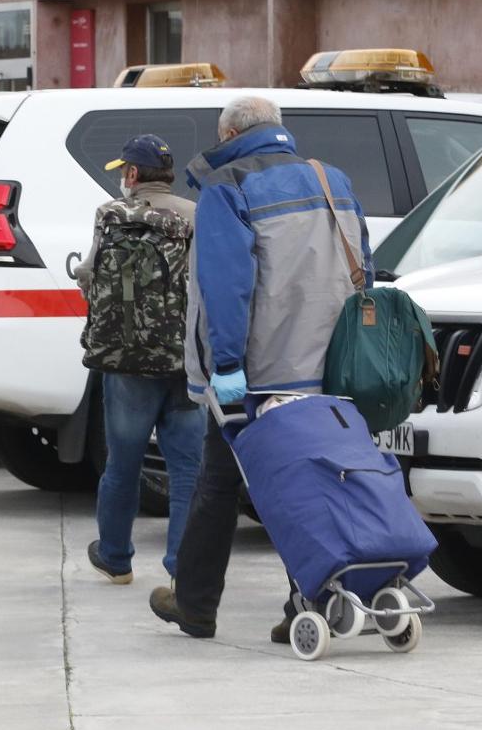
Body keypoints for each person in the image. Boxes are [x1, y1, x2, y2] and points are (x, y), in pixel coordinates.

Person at [149, 96, 373, 643]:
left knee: (221, 484)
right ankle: (312, 602)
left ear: (227, 132)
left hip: (260, 372)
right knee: (314, 482)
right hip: (329, 366)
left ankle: (196, 604)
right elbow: (363, 261)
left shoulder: (229, 186)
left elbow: (227, 285)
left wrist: (225, 365)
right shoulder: (332, 179)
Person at [76, 134, 204, 584]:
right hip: (183, 360)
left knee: (123, 461)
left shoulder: (110, 215)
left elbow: (90, 275)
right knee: (187, 468)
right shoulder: (194, 215)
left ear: (132, 174)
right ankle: (181, 567)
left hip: (126, 361)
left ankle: (114, 557)